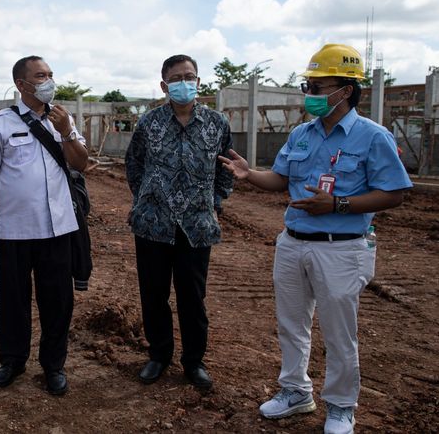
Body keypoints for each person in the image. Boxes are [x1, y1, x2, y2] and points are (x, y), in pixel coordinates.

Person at [219, 44, 412, 434]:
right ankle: (295, 391)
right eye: (308, 84)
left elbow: (395, 192)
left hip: (340, 248)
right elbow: (280, 180)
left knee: (340, 332)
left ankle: (341, 405)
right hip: (292, 242)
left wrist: (339, 205)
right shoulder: (301, 134)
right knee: (291, 323)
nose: (311, 93)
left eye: (318, 86)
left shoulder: (373, 137)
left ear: (346, 90)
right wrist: (249, 173)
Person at [0, 55, 88, 395]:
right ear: (22, 85)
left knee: (58, 302)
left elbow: (82, 163)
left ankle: (54, 366)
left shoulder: (63, 119)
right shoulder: (0, 122)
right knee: (12, 301)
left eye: (51, 74)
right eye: (41, 75)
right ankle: (12, 361)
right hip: (15, 230)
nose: (49, 80)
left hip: (59, 230)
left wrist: (67, 131)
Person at [125, 54, 233, 389]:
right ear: (164, 85)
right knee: (154, 295)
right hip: (152, 226)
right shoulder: (149, 123)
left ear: (198, 82)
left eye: (189, 76)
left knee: (192, 297)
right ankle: (159, 356)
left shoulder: (217, 124)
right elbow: (134, 165)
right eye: (176, 78)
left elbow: (227, 170)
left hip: (196, 228)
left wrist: (211, 202)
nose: (183, 82)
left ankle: (193, 362)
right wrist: (149, 199)